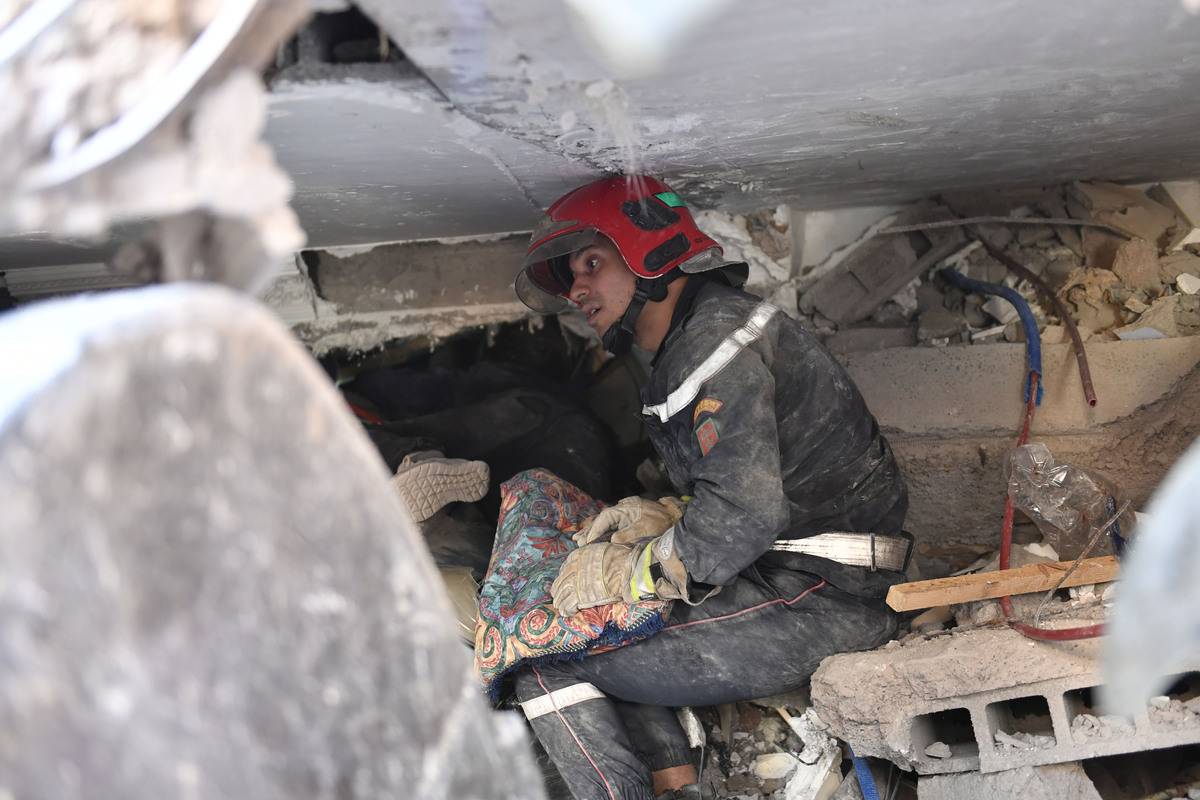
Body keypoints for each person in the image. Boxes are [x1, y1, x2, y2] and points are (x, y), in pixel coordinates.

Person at [511, 175, 911, 800]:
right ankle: (675, 785)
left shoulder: (713, 344)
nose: (577, 290)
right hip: (800, 581)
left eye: (591, 263)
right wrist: (656, 512)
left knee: (547, 664)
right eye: (570, 279)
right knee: (601, 627)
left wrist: (636, 570)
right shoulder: (699, 338)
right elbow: (737, 481)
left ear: (652, 256)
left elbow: (742, 515)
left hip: (823, 597)